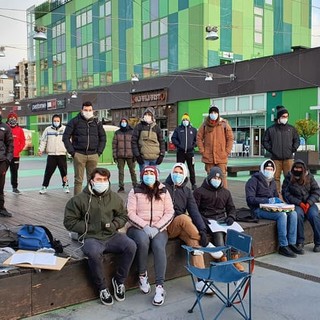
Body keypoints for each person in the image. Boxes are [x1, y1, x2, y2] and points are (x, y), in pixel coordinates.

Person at [64, 167, 137, 306]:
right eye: (99, 179)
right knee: (93, 252)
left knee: (131, 245)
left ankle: (119, 281)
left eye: (105, 180)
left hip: (112, 235)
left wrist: (115, 224)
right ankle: (102, 287)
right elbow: (69, 221)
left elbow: (123, 215)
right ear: (91, 181)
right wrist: (90, 228)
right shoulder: (79, 199)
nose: (102, 182)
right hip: (91, 237)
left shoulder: (114, 197)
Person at [164, 162, 220, 293]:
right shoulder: (164, 188)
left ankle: (201, 281)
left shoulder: (187, 191)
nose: (178, 175)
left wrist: (202, 229)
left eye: (180, 172)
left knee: (195, 243)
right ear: (171, 173)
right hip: (167, 227)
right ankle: (206, 243)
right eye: (175, 172)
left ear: (185, 175)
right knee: (184, 218)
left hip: (182, 228)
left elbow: (194, 211)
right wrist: (204, 236)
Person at [126, 165, 174, 306]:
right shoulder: (135, 191)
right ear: (142, 175)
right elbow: (130, 213)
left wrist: (157, 227)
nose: (148, 175)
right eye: (145, 173)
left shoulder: (164, 191)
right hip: (137, 227)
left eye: (151, 173)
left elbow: (170, 212)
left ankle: (160, 287)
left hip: (159, 228)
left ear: (156, 175)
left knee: (159, 246)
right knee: (143, 240)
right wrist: (145, 227)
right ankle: (142, 275)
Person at [245, 159, 303, 258]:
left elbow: (276, 196)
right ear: (262, 169)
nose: (269, 170)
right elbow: (250, 199)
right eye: (267, 168)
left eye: (271, 169)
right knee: (282, 215)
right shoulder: (253, 181)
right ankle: (283, 245)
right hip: (258, 210)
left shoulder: (272, 182)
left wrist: (280, 202)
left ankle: (291, 243)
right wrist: (266, 201)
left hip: (272, 208)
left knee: (293, 213)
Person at [193, 166, 244, 271]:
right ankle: (222, 258)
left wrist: (231, 216)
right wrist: (201, 218)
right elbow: (194, 209)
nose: (216, 181)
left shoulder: (226, 192)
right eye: (214, 178)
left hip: (222, 219)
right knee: (218, 234)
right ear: (209, 178)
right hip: (208, 219)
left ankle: (235, 258)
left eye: (219, 179)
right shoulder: (199, 191)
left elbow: (231, 208)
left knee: (236, 232)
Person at [63, 101, 106, 195]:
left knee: (92, 180)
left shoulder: (97, 123)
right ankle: (77, 202)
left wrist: (99, 152)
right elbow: (65, 137)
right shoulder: (74, 121)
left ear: (93, 110)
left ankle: (90, 200)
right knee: (78, 180)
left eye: (90, 110)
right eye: (86, 110)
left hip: (93, 155)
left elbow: (103, 138)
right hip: (79, 155)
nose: (88, 112)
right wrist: (73, 153)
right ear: (81, 110)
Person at [282, 159, 320, 253]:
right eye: (295, 168)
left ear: (303, 169)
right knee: (298, 215)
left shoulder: (309, 177)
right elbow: (286, 193)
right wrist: (299, 203)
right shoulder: (289, 177)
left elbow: (316, 191)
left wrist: (309, 203)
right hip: (296, 203)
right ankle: (300, 242)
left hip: (309, 203)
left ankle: (318, 242)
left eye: (299, 168)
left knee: (314, 216)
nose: (297, 170)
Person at [262, 105, 300, 193]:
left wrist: (293, 148)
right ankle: (277, 195)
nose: (285, 118)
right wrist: (271, 149)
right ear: (279, 117)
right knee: (275, 178)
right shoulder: (271, 129)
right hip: (276, 159)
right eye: (283, 116)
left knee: (290, 178)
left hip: (289, 158)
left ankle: (289, 194)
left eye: (287, 116)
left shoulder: (291, 129)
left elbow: (297, 140)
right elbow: (265, 141)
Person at [196, 105, 233, 188]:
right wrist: (202, 151)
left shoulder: (224, 124)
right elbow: (199, 137)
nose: (213, 114)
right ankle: (210, 197)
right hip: (209, 157)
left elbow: (230, 138)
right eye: (212, 112)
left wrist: (227, 151)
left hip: (221, 157)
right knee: (210, 177)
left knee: (222, 177)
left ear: (218, 114)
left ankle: (224, 196)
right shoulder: (205, 125)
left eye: (215, 112)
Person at [38, 114, 70, 194]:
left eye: (58, 121)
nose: (56, 122)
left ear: (60, 121)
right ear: (52, 121)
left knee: (64, 172)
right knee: (48, 172)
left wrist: (70, 153)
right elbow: (43, 140)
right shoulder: (48, 130)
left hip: (62, 154)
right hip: (51, 155)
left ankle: (65, 185)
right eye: (55, 121)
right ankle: (44, 186)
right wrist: (40, 149)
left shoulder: (65, 129)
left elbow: (68, 141)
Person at [131, 107, 165, 172]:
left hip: (155, 158)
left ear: (153, 116)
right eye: (146, 114)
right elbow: (134, 142)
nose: (147, 116)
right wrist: (137, 155)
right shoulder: (139, 126)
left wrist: (162, 155)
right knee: (144, 178)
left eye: (149, 114)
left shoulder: (157, 128)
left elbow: (162, 142)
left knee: (155, 178)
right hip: (143, 158)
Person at [171, 113, 198, 190]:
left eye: (186, 119)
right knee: (179, 169)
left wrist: (193, 146)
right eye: (184, 119)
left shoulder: (193, 130)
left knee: (191, 169)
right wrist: (178, 145)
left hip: (190, 153)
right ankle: (179, 183)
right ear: (181, 120)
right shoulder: (178, 129)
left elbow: (197, 140)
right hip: (180, 153)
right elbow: (173, 138)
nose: (185, 121)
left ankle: (193, 184)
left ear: (189, 121)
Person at [112, 117, 137, 193]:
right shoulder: (117, 132)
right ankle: (121, 186)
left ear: (127, 122)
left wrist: (135, 155)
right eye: (122, 121)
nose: (123, 123)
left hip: (130, 155)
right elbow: (114, 145)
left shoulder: (132, 132)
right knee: (121, 172)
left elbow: (134, 143)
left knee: (132, 171)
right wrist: (115, 155)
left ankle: (135, 185)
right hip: (120, 156)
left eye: (124, 121)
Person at [6, 112, 25, 194]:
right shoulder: (5, 128)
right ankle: (1, 190)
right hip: (6, 155)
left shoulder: (20, 130)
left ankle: (15, 188)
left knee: (14, 172)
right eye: (11, 118)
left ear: (16, 119)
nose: (12, 119)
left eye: (14, 118)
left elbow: (23, 141)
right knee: (2, 172)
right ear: (8, 119)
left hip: (16, 155)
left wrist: (18, 150)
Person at [0, 111, 13, 217]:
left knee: (0, 186)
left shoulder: (6, 128)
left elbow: (10, 145)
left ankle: (1, 208)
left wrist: (7, 160)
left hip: (2, 161)